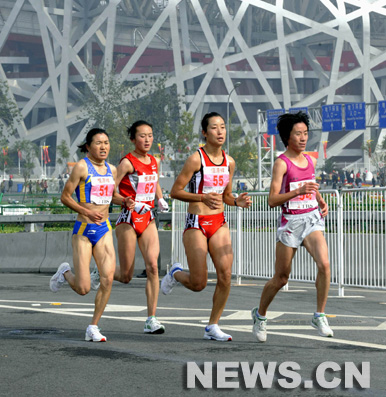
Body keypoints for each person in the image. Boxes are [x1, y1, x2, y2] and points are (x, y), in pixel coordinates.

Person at [161, 112, 251, 341]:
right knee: (199, 283)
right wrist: (201, 198)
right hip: (196, 224)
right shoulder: (196, 159)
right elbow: (175, 191)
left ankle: (213, 325)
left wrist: (236, 202)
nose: (220, 132)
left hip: (219, 223)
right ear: (204, 132)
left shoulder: (230, 162)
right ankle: (175, 273)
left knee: (225, 275)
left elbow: (226, 196)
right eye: (214, 128)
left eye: (223, 127)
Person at [251, 111, 331, 343]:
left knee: (324, 264)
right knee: (281, 277)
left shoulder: (311, 160)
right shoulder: (281, 163)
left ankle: (319, 315)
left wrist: (320, 200)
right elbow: (272, 200)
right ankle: (260, 315)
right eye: (298, 134)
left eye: (305, 133)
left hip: (312, 219)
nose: (303, 138)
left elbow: (311, 188)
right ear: (288, 136)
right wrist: (297, 192)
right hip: (291, 223)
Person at [49, 128, 132, 342]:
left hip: (104, 229)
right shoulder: (81, 167)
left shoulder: (112, 170)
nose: (103, 147)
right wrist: (85, 211)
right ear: (88, 146)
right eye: (98, 143)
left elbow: (111, 196)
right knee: (84, 288)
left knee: (108, 279)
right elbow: (65, 197)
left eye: (106, 142)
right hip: (84, 231)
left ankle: (93, 326)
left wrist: (124, 201)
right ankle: (65, 272)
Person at [91, 120, 169, 335]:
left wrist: (160, 199)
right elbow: (109, 190)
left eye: (150, 135)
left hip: (148, 218)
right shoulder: (126, 162)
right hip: (128, 219)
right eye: (142, 136)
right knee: (126, 276)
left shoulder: (154, 160)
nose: (147, 140)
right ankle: (102, 272)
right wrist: (124, 200)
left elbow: (154, 183)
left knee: (153, 267)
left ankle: (151, 319)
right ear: (133, 139)